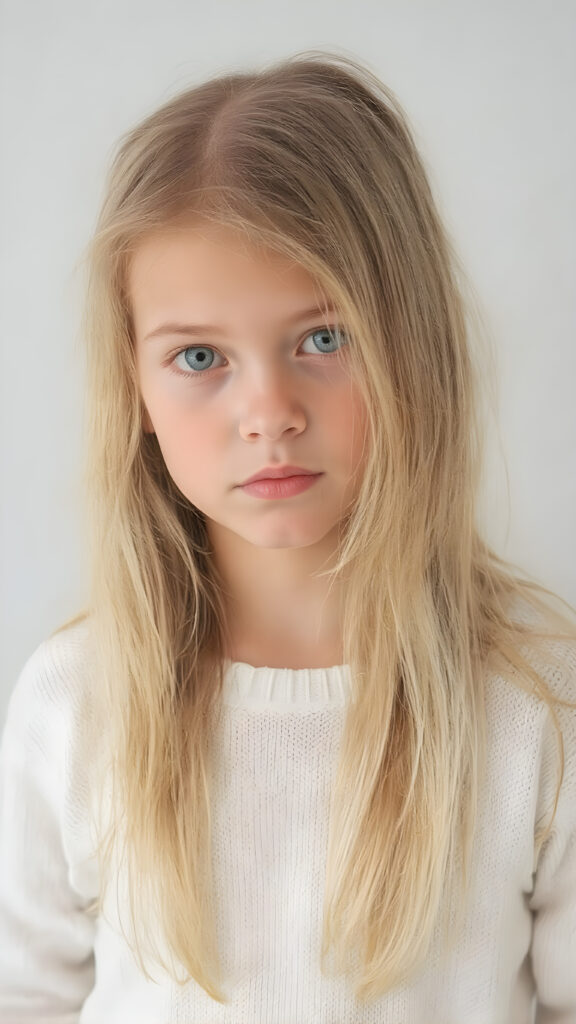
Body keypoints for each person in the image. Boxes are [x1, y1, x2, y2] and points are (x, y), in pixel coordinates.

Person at [0, 50, 575, 1024]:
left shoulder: (534, 696)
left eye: (323, 338)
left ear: (412, 339)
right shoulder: (77, 700)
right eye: (198, 357)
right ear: (135, 384)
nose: (268, 412)